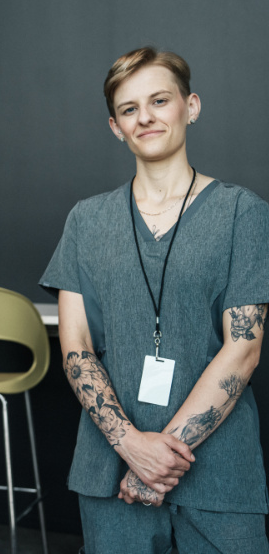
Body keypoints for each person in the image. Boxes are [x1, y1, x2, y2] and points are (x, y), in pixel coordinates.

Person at [40, 46, 269, 553]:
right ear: (115, 126)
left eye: (160, 100)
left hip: (220, 474)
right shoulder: (86, 220)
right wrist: (130, 446)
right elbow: (75, 347)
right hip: (109, 468)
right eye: (129, 109)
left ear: (191, 106)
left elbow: (243, 350)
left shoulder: (242, 213)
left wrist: (159, 462)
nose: (145, 117)